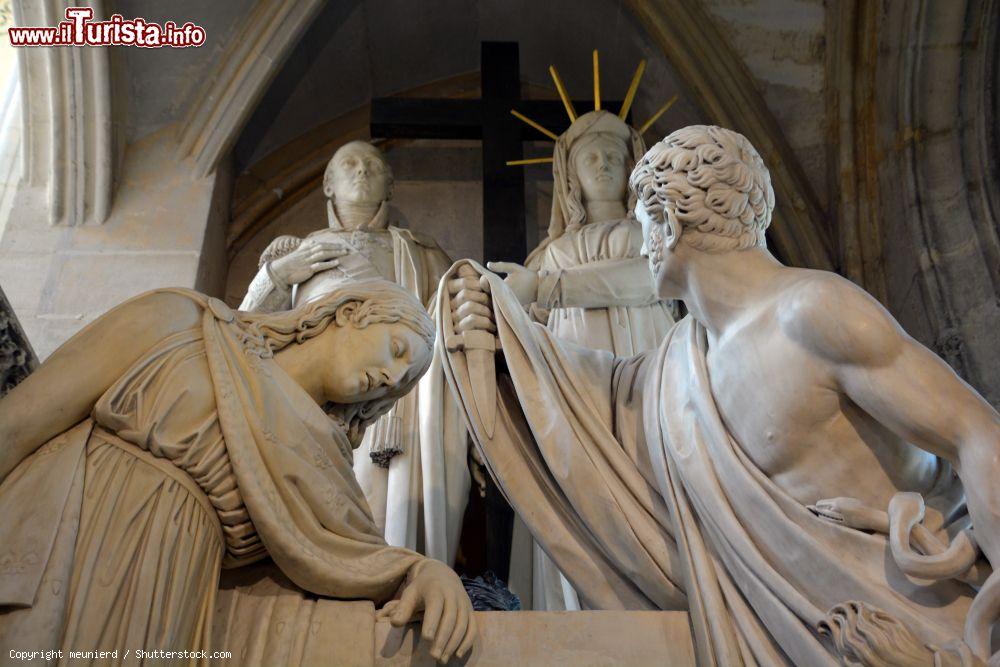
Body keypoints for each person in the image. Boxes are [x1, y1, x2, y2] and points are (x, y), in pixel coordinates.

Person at [443, 125, 1000, 664]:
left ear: (667, 222)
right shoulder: (682, 361)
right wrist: (504, 338)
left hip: (920, 626)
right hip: (801, 636)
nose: (644, 245)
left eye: (643, 224)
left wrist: (983, 636)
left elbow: (977, 433)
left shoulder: (812, 311)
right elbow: (607, 404)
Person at [0, 280, 473, 665]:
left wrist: (424, 572)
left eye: (405, 380)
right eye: (396, 350)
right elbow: (20, 423)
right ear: (349, 313)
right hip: (69, 527)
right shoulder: (184, 323)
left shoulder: (324, 460)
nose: (393, 378)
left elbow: (349, 557)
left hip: (169, 586)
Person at [240, 140, 469, 567]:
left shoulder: (423, 252)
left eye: (372, 165)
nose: (361, 171)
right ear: (327, 184)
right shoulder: (294, 250)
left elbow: (451, 322)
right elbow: (243, 333)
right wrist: (276, 275)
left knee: (400, 516)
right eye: (348, 164)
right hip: (316, 406)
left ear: (391, 184)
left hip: (409, 399)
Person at [487, 110, 675, 610]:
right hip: (576, 388)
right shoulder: (550, 254)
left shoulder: (654, 233)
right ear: (569, 175)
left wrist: (551, 288)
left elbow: (649, 280)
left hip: (648, 372)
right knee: (580, 497)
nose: (604, 164)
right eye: (591, 155)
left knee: (655, 482)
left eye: (615, 154)